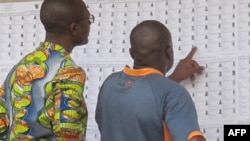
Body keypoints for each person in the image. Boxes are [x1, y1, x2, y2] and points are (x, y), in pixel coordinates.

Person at [95, 20, 206, 141]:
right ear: (168, 52)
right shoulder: (173, 93)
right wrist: (170, 87)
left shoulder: (109, 84)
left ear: (132, 53)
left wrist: (172, 79)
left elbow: (140, 100)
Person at [0, 0, 93, 140]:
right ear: (74, 28)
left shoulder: (21, 66)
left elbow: (2, 123)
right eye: (89, 19)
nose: (90, 24)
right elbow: (68, 132)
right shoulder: (69, 72)